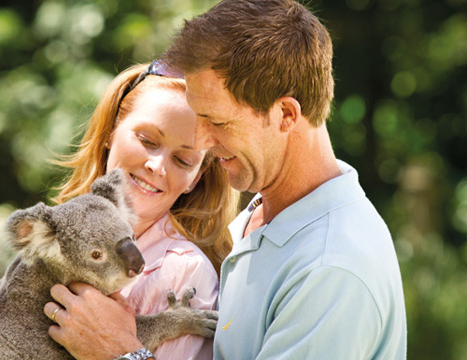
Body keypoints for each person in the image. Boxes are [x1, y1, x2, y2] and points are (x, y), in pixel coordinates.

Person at [46, 1, 407, 359]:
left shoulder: (331, 271)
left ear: (285, 114)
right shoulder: (260, 220)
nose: (202, 141)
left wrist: (120, 353)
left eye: (217, 122)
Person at [42, 62, 239, 360]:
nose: (157, 166)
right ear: (110, 132)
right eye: (147, 141)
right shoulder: (52, 237)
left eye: (183, 160)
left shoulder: (184, 274)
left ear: (195, 179)